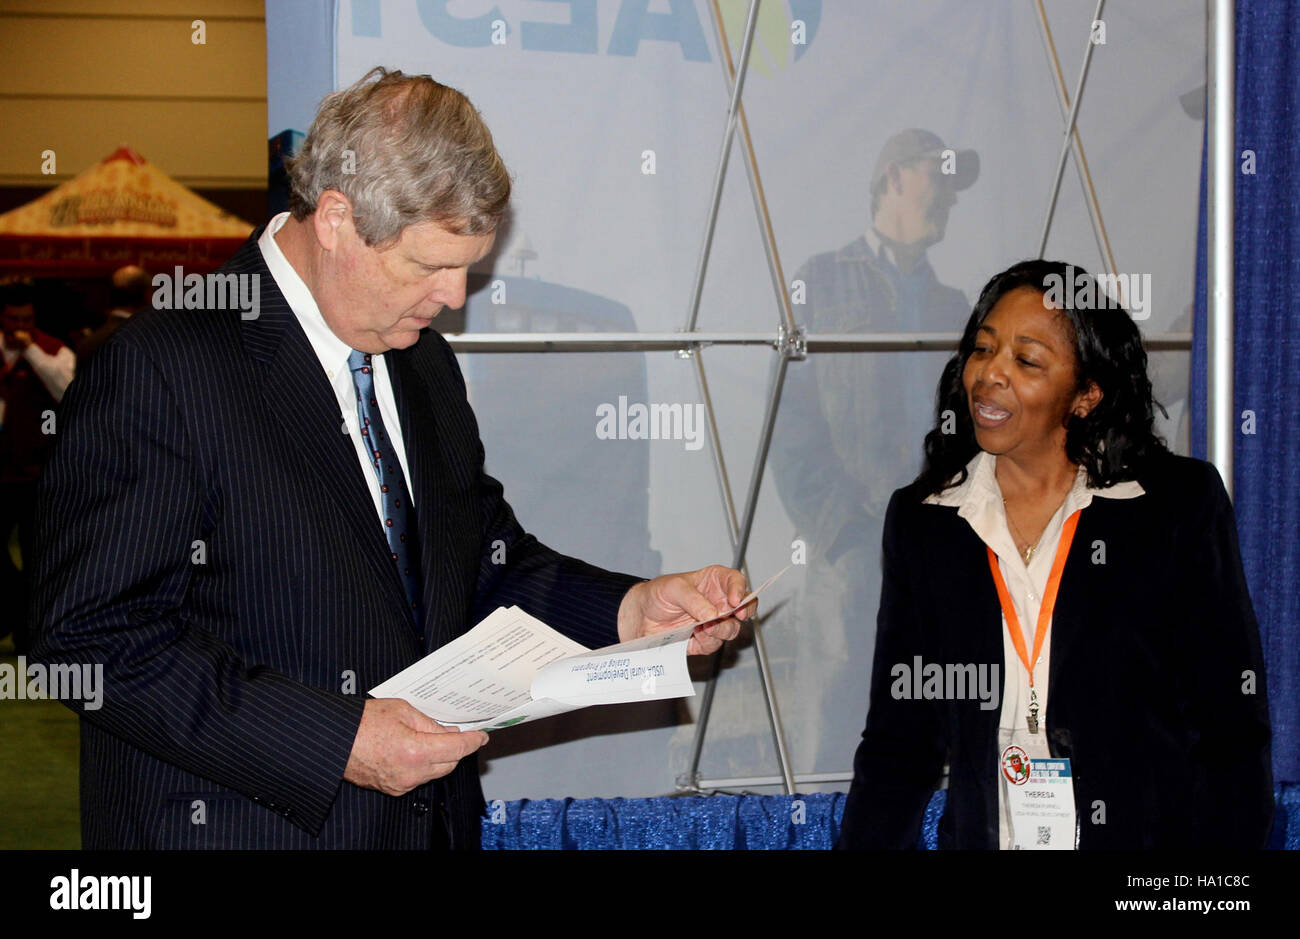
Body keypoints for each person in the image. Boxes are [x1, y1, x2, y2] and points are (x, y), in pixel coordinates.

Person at [29, 67, 754, 850]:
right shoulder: (168, 365)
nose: (454, 295)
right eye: (428, 266)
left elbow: (481, 561)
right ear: (335, 218)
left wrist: (630, 610)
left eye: (469, 265)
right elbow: (89, 635)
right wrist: (338, 740)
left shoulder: (421, 363)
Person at [837, 259, 1272, 849]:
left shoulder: (1174, 506)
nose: (990, 375)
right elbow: (900, 742)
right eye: (983, 349)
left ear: (1086, 395)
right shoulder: (925, 521)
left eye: (1026, 360)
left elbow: (1229, 732)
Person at [767, 129, 977, 769]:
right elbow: (790, 426)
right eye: (937, 176)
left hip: (941, 547)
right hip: (854, 551)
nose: (948, 196)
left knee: (942, 732)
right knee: (841, 736)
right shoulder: (820, 284)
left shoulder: (956, 306)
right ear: (893, 178)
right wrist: (845, 534)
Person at [1, 279, 75, 655]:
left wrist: (30, 349)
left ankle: (28, 636)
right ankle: (12, 612)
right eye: (14, 318)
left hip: (37, 477)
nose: (20, 325)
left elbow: (66, 390)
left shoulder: (53, 350)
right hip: (1, 474)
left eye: (27, 319)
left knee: (38, 559)